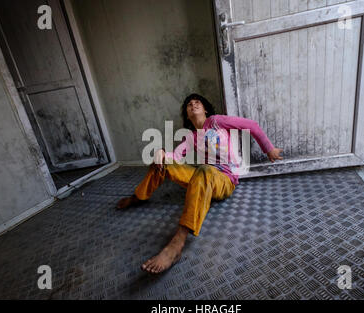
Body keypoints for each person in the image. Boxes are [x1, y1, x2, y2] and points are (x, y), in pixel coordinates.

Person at [116, 93, 283, 274]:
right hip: (203, 177)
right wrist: (162, 153)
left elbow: (251, 125)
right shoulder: (191, 136)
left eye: (197, 103)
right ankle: (139, 196)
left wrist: (269, 149)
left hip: (224, 180)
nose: (193, 105)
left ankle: (177, 243)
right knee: (162, 164)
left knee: (204, 169)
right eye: (189, 104)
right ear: (187, 115)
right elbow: (176, 157)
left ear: (205, 109)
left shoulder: (217, 121)